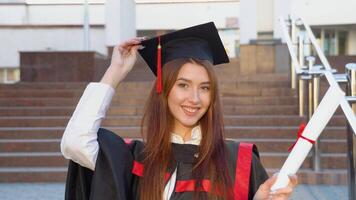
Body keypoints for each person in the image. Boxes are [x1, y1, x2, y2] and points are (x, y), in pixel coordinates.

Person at [61, 22, 298, 200]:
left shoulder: (238, 160)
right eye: (183, 85)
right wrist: (115, 72)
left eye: (204, 88)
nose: (194, 99)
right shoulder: (135, 159)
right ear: (164, 91)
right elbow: (75, 142)